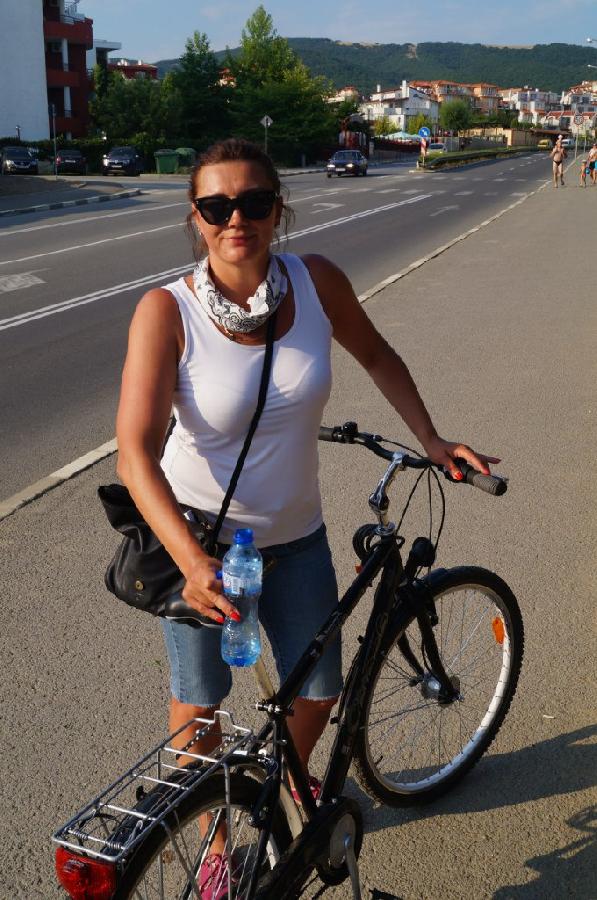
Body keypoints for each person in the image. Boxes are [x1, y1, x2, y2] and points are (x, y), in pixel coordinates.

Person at [115, 138, 498, 895]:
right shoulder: (167, 311)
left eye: (253, 202)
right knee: (200, 701)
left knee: (319, 688)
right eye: (217, 205)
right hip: (202, 543)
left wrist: (430, 438)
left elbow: (377, 354)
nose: (236, 219)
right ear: (196, 217)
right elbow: (134, 454)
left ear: (277, 208)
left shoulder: (315, 281)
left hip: (296, 537)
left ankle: (274, 784)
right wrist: (191, 564)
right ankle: (215, 839)